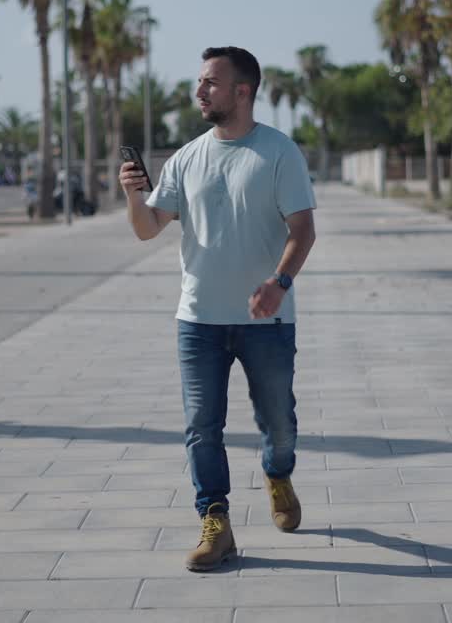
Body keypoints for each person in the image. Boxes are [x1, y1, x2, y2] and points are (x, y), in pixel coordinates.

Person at [119, 46, 317, 572]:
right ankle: (216, 521)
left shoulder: (279, 152)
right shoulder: (186, 158)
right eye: (200, 81)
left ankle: (277, 474)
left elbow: (303, 230)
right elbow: (147, 229)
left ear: (242, 91)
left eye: (210, 82)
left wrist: (279, 281)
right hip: (198, 320)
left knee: (278, 422)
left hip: (266, 321)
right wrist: (134, 197)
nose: (200, 90)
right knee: (201, 425)